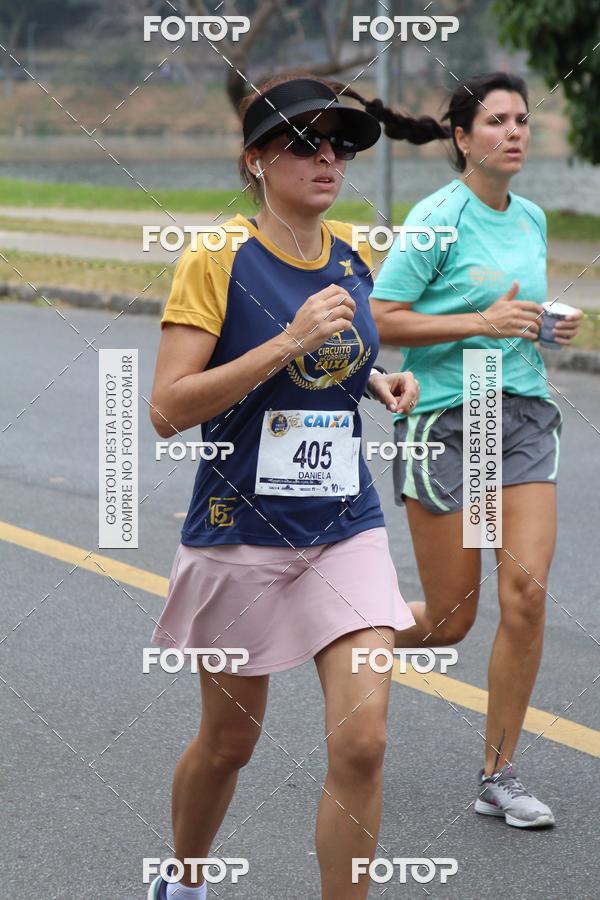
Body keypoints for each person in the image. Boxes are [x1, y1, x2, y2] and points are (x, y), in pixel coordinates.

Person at [147, 74, 420, 899]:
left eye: (338, 144)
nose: (327, 157)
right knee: (231, 743)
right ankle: (187, 877)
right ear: (257, 160)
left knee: (363, 740)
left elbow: (339, 356)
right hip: (240, 531)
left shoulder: (352, 253)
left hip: (345, 526)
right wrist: (284, 343)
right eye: (305, 142)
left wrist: (377, 381)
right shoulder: (217, 255)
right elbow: (166, 408)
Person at [339, 71, 582, 828]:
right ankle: (341, 638)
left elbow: (513, 312)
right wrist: (481, 324)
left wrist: (542, 326)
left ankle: (498, 774)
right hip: (448, 420)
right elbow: (378, 319)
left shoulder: (533, 218)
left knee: (528, 595)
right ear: (461, 137)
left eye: (523, 121)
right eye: (499, 122)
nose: (516, 133)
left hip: (522, 415)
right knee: (450, 621)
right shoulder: (437, 218)